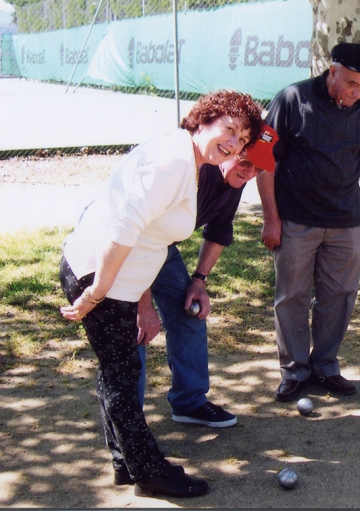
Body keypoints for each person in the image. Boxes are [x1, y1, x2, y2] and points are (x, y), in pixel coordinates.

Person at [59, 90, 263, 498]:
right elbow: (123, 226)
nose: (234, 144)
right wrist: (97, 293)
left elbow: (156, 236)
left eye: (242, 139)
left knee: (115, 372)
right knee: (121, 376)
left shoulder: (188, 156)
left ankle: (124, 461)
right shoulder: (175, 162)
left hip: (109, 275)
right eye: (229, 130)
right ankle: (149, 471)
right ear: (204, 120)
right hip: (102, 276)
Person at [257, 42, 360, 402]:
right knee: (291, 296)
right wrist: (271, 218)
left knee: (340, 296)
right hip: (296, 220)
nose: (358, 93)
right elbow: (263, 158)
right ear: (333, 72)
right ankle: (295, 371)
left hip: (344, 221)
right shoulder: (291, 98)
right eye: (351, 84)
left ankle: (326, 366)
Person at [135, 125, 277, 429]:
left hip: (160, 246)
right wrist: (143, 306)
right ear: (231, 150)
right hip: (126, 249)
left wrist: (199, 280)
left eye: (258, 168)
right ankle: (129, 424)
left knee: (189, 313)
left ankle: (190, 402)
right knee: (134, 329)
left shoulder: (235, 181)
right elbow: (138, 238)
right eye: (246, 162)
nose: (250, 173)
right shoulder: (194, 172)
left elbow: (219, 230)